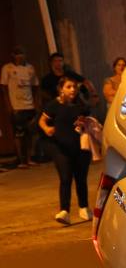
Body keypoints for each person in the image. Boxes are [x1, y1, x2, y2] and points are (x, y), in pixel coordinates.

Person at [39, 76, 91, 224]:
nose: (73, 89)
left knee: (81, 179)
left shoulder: (81, 105)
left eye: (74, 86)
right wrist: (47, 128)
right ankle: (64, 211)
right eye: (69, 87)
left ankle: (84, 208)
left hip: (80, 147)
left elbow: (89, 118)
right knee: (66, 178)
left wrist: (84, 121)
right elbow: (41, 121)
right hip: (60, 147)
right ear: (61, 89)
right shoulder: (53, 105)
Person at [1, 46, 40, 169]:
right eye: (17, 54)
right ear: (13, 55)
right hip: (16, 106)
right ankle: (21, 160)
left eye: (21, 54)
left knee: (30, 133)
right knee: (19, 134)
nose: (20, 56)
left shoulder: (30, 68)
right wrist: (9, 105)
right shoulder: (7, 68)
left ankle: (29, 158)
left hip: (29, 106)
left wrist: (36, 103)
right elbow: (4, 87)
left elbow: (35, 86)